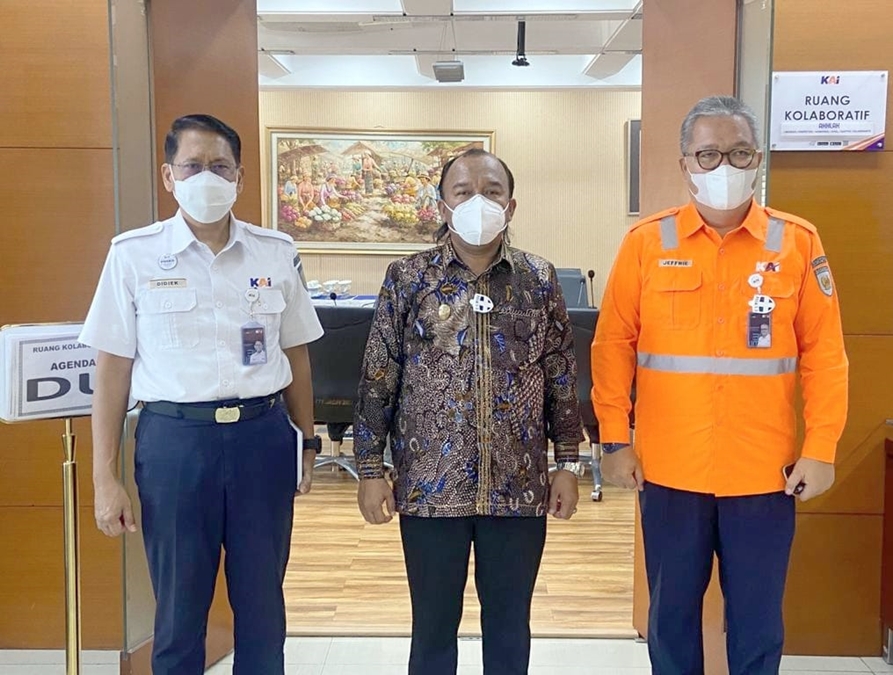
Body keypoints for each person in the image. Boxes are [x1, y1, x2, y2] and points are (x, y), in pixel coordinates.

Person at [591, 95, 849, 675]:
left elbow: (826, 356)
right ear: (685, 163)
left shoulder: (797, 242)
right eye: (708, 154)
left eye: (738, 153)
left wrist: (821, 448)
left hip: (764, 474)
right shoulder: (647, 242)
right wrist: (614, 438)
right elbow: (612, 347)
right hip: (668, 470)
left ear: (757, 159)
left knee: (757, 623)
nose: (723, 166)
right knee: (670, 618)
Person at [80, 114, 324, 675]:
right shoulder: (132, 254)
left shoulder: (275, 252)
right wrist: (103, 478)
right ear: (169, 176)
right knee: (178, 608)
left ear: (239, 177)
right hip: (174, 443)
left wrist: (308, 443)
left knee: (263, 605)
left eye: (220, 166)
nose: (207, 177)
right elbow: (112, 370)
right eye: (193, 166)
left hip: (262, 439)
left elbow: (297, 356)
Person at [354, 148, 584, 675]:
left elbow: (560, 375)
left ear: (511, 206)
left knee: (510, 626)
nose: (478, 200)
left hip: (519, 487)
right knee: (433, 628)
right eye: (463, 192)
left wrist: (568, 463)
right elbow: (378, 376)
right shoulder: (409, 278)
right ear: (443, 205)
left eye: (492, 191)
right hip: (430, 488)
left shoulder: (538, 278)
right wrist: (369, 469)